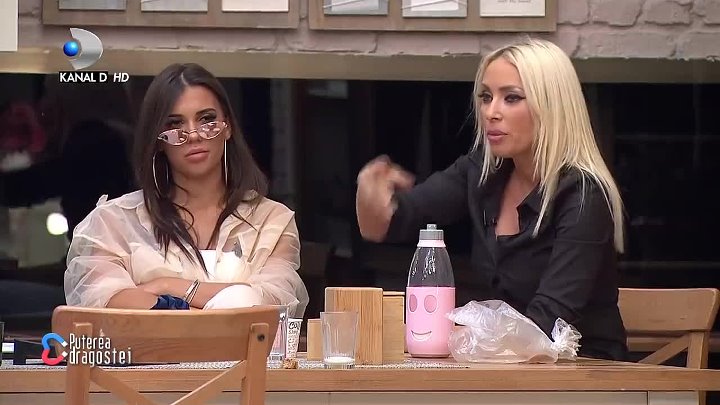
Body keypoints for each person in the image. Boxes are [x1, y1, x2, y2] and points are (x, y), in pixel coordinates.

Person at [356, 38, 628, 361]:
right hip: (506, 369)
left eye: (511, 98)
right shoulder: (483, 173)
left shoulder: (584, 195)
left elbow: (547, 321)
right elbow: (391, 222)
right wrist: (369, 192)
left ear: (551, 107)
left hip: (587, 373)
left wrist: (456, 336)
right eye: (486, 97)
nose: (491, 112)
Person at [64, 63, 309, 318]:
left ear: (227, 127)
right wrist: (211, 310)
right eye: (175, 124)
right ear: (158, 139)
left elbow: (271, 305)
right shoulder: (112, 223)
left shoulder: (272, 222)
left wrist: (167, 286)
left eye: (207, 120)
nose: (193, 135)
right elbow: (108, 305)